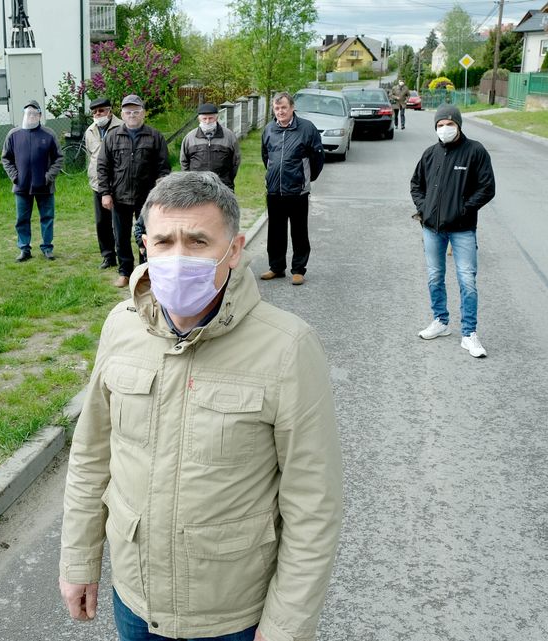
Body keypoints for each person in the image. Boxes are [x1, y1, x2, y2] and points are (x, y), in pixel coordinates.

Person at [59, 171, 343, 641]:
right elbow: (91, 456)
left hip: (233, 618)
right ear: (145, 244)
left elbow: (313, 504)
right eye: (165, 241)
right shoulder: (121, 327)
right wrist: (79, 560)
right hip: (135, 601)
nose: (177, 257)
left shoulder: (288, 348)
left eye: (197, 241)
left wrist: (287, 629)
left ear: (233, 250)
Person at [409, 104, 496, 358]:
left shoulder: (475, 151)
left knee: (467, 280)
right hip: (432, 229)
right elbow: (416, 184)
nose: (444, 129)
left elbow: (487, 188)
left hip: (462, 229)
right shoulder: (430, 154)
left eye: (449, 124)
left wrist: (463, 209)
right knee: (435, 276)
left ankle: (469, 334)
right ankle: (440, 321)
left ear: (458, 125)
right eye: (440, 125)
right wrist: (424, 208)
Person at [98, 94, 170, 288]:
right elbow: (103, 166)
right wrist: (105, 193)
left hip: (147, 197)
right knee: (120, 236)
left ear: (143, 114)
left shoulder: (155, 136)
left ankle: (146, 272)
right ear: (122, 114)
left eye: (136, 112)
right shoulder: (112, 136)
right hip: (119, 196)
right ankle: (125, 272)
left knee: (147, 235)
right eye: (128, 112)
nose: (132, 115)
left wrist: (159, 194)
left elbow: (163, 168)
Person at [260, 91, 324, 286]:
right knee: (275, 231)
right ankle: (276, 267)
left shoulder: (307, 128)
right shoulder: (269, 129)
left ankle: (298, 270)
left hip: (297, 191)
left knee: (299, 231)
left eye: (284, 108)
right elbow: (266, 156)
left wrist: (306, 178)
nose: (280, 111)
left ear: (292, 108)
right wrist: (273, 176)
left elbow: (318, 158)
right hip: (274, 190)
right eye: (277, 108)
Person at [1, 100, 64, 262]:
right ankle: (24, 248)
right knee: (22, 219)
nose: (31, 116)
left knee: (47, 218)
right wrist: (15, 176)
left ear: (40, 116)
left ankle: (47, 247)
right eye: (28, 113)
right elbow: (6, 158)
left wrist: (48, 177)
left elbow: (59, 158)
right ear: (24, 114)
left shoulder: (48, 134)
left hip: (44, 186)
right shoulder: (13, 134)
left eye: (34, 113)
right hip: (21, 187)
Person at [84, 97, 123, 270]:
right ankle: (108, 256)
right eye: (94, 112)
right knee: (102, 222)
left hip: (119, 183)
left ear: (110, 110)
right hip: (98, 183)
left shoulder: (122, 127)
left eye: (101, 111)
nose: (98, 114)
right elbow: (90, 156)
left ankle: (123, 255)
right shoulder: (90, 131)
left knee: (120, 222)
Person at [180, 102, 241, 189]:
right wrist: (189, 181)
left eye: (210, 118)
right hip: (196, 187)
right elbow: (184, 161)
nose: (207, 121)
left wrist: (227, 179)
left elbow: (235, 161)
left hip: (223, 186)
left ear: (216, 118)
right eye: (204, 118)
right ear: (199, 119)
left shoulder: (229, 136)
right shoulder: (189, 137)